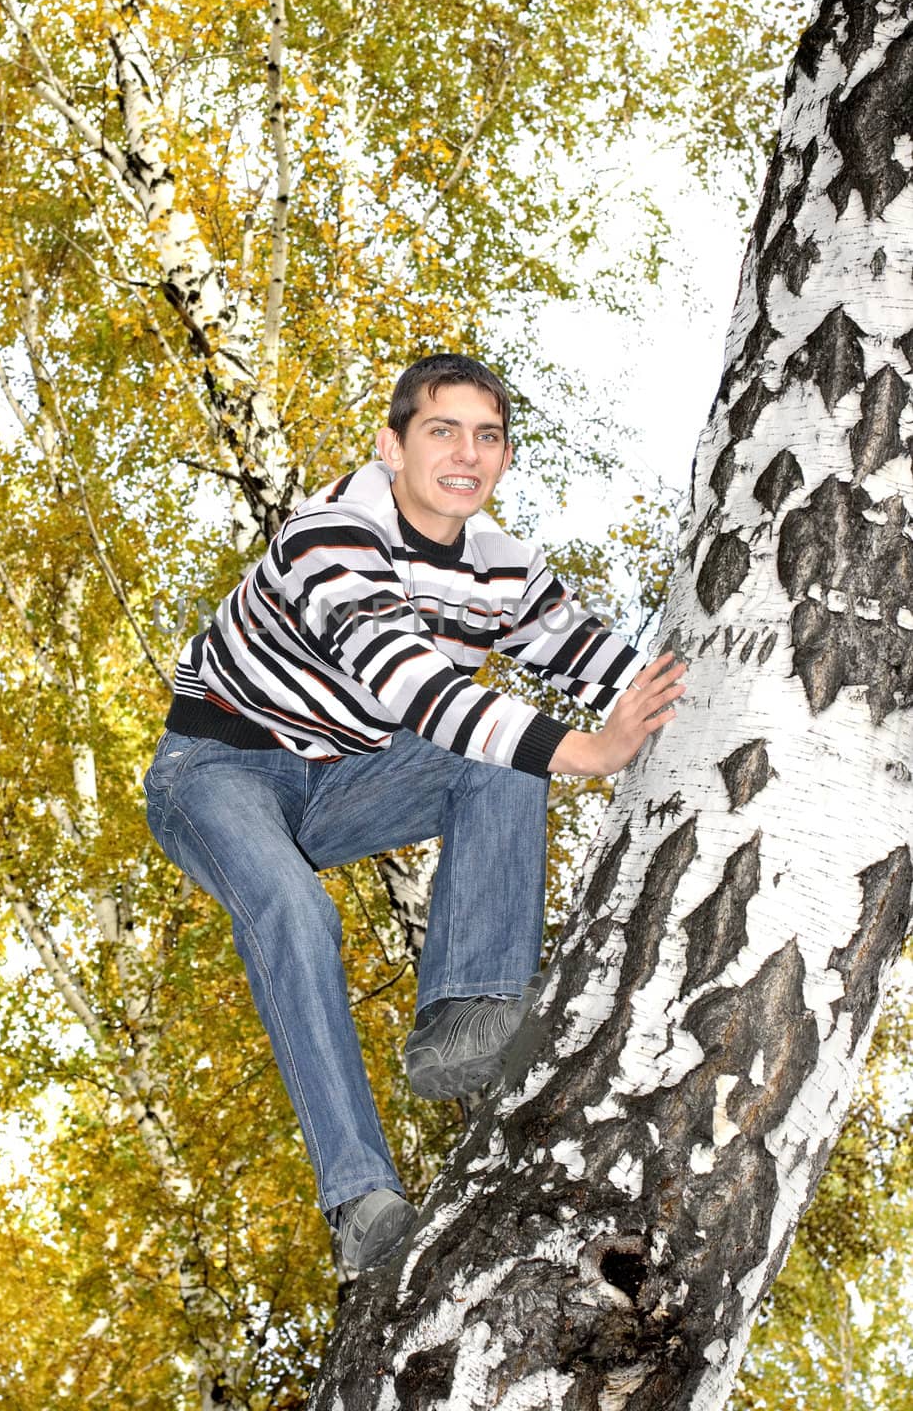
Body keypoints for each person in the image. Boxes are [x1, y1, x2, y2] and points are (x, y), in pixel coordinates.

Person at [143, 354, 685, 1271]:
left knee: (505, 761)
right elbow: (411, 686)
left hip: (342, 782)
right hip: (215, 772)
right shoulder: (330, 533)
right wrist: (590, 752)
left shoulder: (504, 569)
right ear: (391, 446)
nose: (465, 454)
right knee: (295, 911)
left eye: (487, 436)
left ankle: (463, 1015)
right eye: (441, 431)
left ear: (505, 457)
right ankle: (359, 1200)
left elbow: (608, 663)